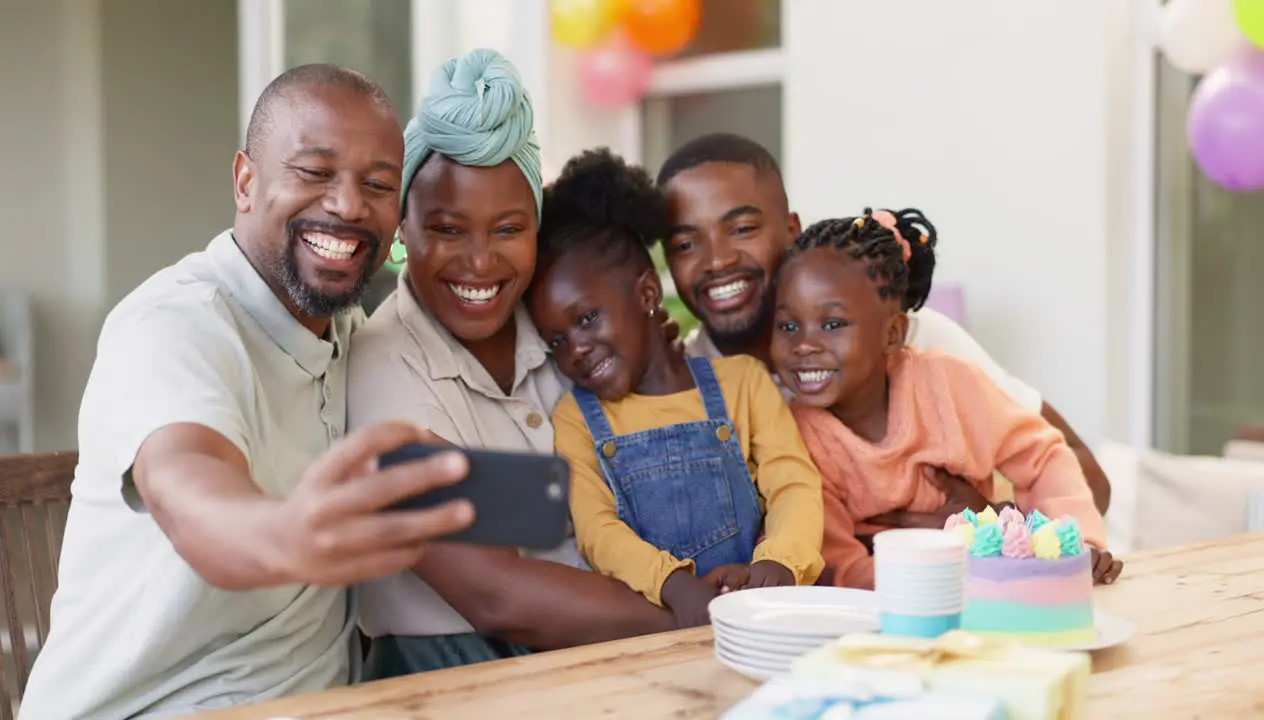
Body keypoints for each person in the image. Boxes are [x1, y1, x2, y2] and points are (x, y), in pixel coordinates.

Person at [19, 65, 476, 720]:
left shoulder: (355, 338)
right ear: (245, 181)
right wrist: (291, 532)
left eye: (377, 185)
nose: (348, 205)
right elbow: (189, 486)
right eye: (315, 173)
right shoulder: (174, 326)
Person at [347, 49, 679, 679]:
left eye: (507, 229)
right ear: (402, 227)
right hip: (448, 675)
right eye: (447, 229)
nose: (479, 263)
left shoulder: (564, 333)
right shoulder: (380, 370)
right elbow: (493, 593)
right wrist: (695, 618)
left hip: (613, 654)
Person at [655, 133, 1113, 519]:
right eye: (685, 243)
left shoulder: (914, 343)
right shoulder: (685, 390)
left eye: (742, 230)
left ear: (792, 229)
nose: (717, 260)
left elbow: (1085, 477)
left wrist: (986, 526)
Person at [525, 149, 825, 627]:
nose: (575, 349)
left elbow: (793, 484)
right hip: (660, 628)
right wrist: (674, 585)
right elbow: (597, 530)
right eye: (556, 339)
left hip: (759, 615)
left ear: (646, 293)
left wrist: (781, 563)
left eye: (586, 319)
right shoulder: (575, 417)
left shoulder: (741, 382)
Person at [771, 214, 1121, 590]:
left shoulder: (948, 384)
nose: (804, 344)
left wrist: (1076, 542)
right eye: (789, 326)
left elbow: (1045, 457)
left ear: (893, 333)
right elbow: (840, 568)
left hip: (998, 595)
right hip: (893, 613)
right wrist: (944, 570)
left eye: (832, 324)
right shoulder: (798, 438)